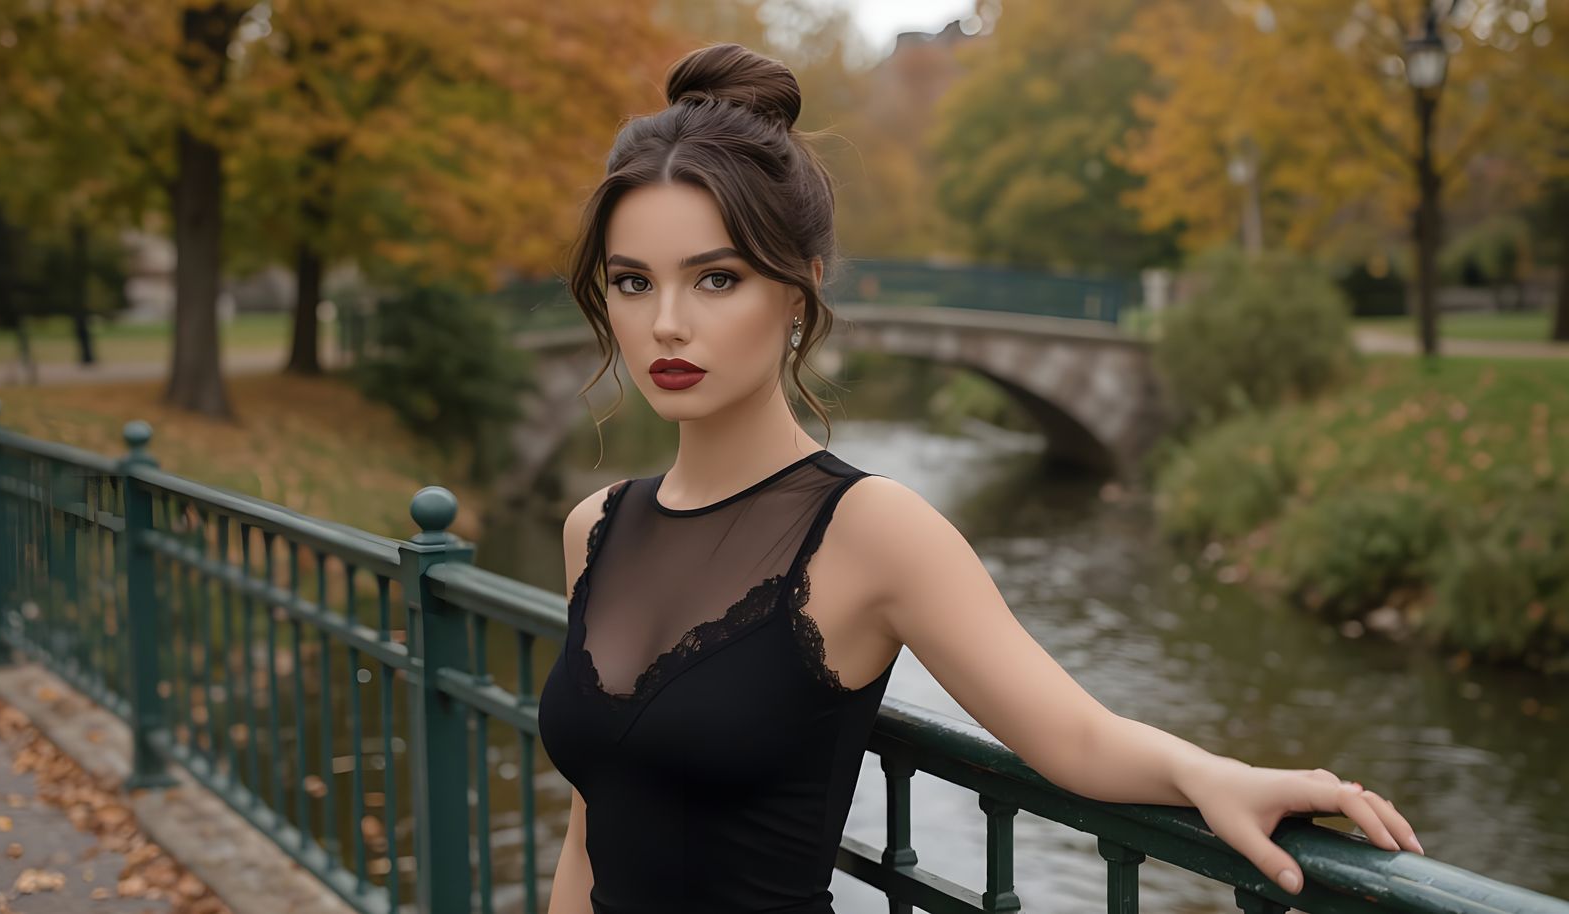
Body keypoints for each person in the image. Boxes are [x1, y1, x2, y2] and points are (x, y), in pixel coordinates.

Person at [536, 42, 1422, 914]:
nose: (667, 324)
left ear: (799, 289)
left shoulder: (869, 529)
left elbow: (1072, 734)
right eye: (633, 282)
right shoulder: (598, 528)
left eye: (716, 279)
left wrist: (1217, 775)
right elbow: (590, 831)